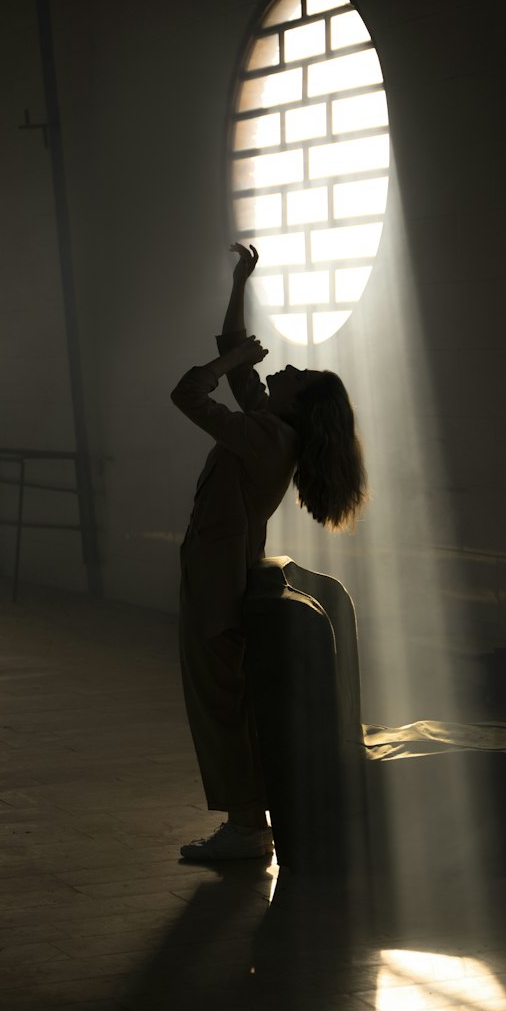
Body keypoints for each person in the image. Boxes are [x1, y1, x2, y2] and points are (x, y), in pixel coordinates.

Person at [171, 242, 367, 861]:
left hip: (215, 577)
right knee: (222, 696)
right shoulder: (272, 426)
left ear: (297, 404)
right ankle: (246, 823)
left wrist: (230, 355)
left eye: (294, 377)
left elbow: (189, 394)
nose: (280, 372)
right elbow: (235, 367)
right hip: (218, 569)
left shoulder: (263, 434)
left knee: (218, 700)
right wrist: (239, 281)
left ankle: (245, 828)